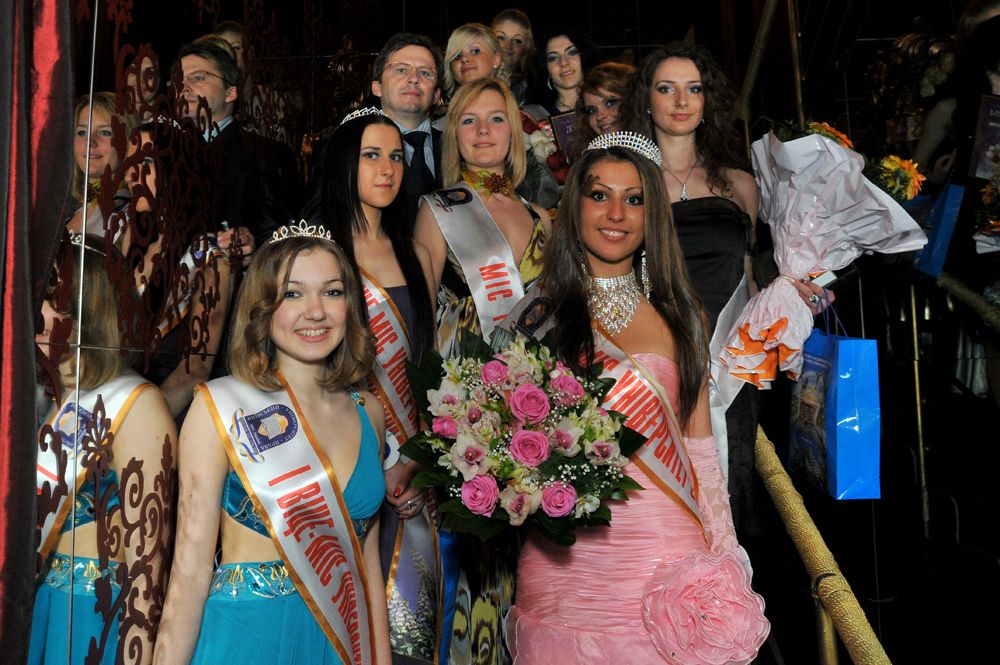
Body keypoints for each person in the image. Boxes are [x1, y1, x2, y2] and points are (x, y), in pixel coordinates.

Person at [503, 134, 769, 665]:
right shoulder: (539, 315)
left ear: (652, 215)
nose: (616, 214)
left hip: (662, 556)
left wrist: (724, 554)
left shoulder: (681, 314)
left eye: (635, 199)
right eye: (599, 195)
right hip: (564, 559)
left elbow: (700, 451)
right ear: (574, 206)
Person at [154, 223, 391, 664]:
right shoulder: (222, 407)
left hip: (339, 641)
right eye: (293, 294)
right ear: (262, 306)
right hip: (244, 642)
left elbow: (368, 568)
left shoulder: (370, 413)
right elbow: (188, 573)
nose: (315, 312)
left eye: (332, 292)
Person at [626, 42, 831, 538]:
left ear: (707, 100)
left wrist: (800, 294)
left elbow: (751, 277)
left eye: (693, 89)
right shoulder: (624, 182)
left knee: (728, 489)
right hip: (647, 365)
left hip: (727, 368)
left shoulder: (740, 184)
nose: (681, 101)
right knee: (653, 502)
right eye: (667, 88)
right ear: (646, 100)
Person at [412, 78, 550, 664]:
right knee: (472, 543)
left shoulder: (544, 216)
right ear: (454, 136)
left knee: (529, 547)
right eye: (469, 120)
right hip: (464, 393)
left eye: (496, 119)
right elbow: (419, 318)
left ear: (514, 132)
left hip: (532, 400)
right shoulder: (437, 210)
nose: (484, 131)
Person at [321, 107, 440, 664]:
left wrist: (416, 460)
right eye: (371, 155)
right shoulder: (320, 254)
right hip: (345, 459)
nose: (387, 168)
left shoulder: (417, 254)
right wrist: (381, 460)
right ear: (345, 163)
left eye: (396, 156)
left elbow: (428, 366)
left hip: (413, 465)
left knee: (407, 630)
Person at [31, 233, 176, 665]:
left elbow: (146, 573)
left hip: (90, 622)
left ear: (90, 311)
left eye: (53, 301)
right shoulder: (50, 394)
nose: (37, 313)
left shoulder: (137, 406)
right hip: (38, 608)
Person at [125, 120, 235, 419]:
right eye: (130, 162)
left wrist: (141, 422)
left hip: (168, 414)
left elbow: (195, 369)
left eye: (146, 162)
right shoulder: (128, 235)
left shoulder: (209, 257)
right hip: (114, 400)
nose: (132, 174)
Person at [302, 33, 446, 232]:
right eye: (401, 70)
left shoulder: (458, 146)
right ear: (377, 87)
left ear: (437, 94)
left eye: (425, 73)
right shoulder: (342, 146)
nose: (414, 79)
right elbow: (316, 226)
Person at [176, 39, 300, 248]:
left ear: (230, 92)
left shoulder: (266, 155)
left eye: (197, 78)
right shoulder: (162, 150)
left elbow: (285, 233)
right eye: (177, 80)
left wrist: (252, 242)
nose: (184, 87)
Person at [68, 92, 136, 236]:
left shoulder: (132, 214)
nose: (90, 142)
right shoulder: (68, 212)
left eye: (105, 132)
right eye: (82, 133)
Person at [572, 61, 635, 154]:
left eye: (610, 103)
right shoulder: (590, 160)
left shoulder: (656, 149)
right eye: (591, 111)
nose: (600, 116)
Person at [442, 24, 508, 104]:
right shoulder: (446, 111)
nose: (464, 58)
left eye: (475, 51)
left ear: (496, 59)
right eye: (457, 56)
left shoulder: (513, 110)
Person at [491, 9, 536, 104]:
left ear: (525, 48)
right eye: (501, 38)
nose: (508, 46)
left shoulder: (531, 89)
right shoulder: (473, 74)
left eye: (516, 41)